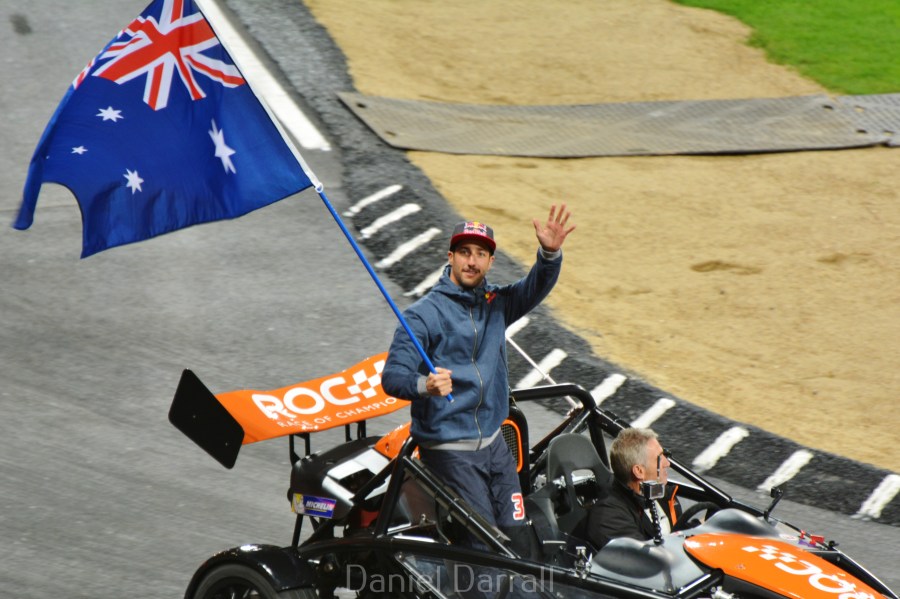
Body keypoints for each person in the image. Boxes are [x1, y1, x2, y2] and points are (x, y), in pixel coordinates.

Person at [381, 205, 575, 552]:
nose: (472, 261)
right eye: (465, 252)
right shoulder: (423, 315)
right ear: (450, 257)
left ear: (490, 261)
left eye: (480, 254)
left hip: (495, 445)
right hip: (450, 452)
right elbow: (393, 377)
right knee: (486, 550)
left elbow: (534, 287)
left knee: (518, 538)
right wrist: (425, 385)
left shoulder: (496, 303)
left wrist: (549, 255)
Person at [586, 428, 683, 549]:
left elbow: (680, 532)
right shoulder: (609, 517)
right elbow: (643, 557)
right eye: (659, 458)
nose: (667, 463)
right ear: (639, 471)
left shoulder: (661, 493)